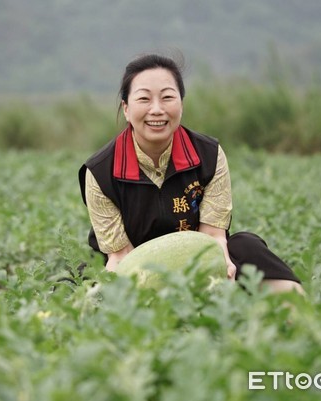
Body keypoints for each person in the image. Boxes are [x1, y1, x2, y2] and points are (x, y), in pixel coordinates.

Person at [78, 53, 303, 294]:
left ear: (181, 104)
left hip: (197, 264)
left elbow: (212, 238)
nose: (156, 110)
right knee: (86, 280)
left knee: (245, 247)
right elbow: (120, 257)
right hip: (130, 270)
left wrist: (215, 274)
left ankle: (297, 310)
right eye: (144, 99)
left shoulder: (209, 155)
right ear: (126, 108)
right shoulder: (100, 171)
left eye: (167, 98)